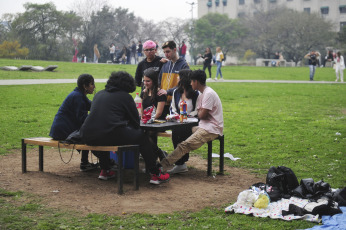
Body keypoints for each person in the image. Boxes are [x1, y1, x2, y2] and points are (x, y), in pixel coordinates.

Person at [80, 71, 170, 184]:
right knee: (142, 137)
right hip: (109, 134)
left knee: (103, 135)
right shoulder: (125, 96)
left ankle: (105, 169)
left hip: (88, 134)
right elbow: (136, 122)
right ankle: (155, 174)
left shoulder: (99, 94)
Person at [159, 69, 223, 171]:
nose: (190, 83)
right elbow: (201, 113)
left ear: (196, 82)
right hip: (203, 125)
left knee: (184, 145)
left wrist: (200, 112)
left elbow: (201, 115)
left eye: (192, 81)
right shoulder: (203, 93)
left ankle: (162, 166)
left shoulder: (208, 94)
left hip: (211, 129)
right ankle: (180, 164)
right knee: (180, 130)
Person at [49, 74, 98, 172]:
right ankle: (85, 163)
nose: (94, 87)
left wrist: (103, 103)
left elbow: (92, 105)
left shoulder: (79, 95)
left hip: (61, 129)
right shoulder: (78, 97)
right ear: (85, 86)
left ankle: (85, 163)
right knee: (87, 133)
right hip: (62, 131)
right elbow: (82, 118)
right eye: (92, 84)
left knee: (86, 131)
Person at [167, 69, 200, 174]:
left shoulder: (196, 94)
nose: (177, 78)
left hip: (192, 121)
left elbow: (197, 110)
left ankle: (180, 163)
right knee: (176, 131)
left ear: (183, 79)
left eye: (178, 76)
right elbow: (172, 108)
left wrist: (187, 116)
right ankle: (180, 163)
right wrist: (176, 116)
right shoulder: (176, 92)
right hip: (178, 121)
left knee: (180, 131)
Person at [140, 68, 168, 161]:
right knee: (139, 132)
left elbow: (159, 113)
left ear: (154, 81)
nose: (145, 83)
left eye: (148, 81)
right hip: (147, 121)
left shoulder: (160, 94)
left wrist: (149, 120)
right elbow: (141, 109)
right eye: (144, 81)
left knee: (149, 132)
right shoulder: (144, 92)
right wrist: (142, 119)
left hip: (159, 121)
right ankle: (158, 152)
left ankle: (153, 157)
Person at [158, 40, 190, 116]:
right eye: (164, 52)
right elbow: (159, 81)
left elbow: (184, 85)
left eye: (168, 51)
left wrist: (168, 92)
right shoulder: (165, 65)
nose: (166, 54)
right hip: (163, 103)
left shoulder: (184, 65)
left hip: (176, 103)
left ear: (174, 50)